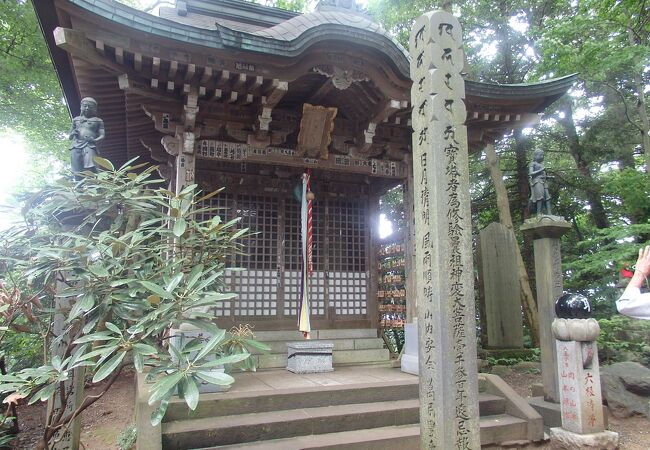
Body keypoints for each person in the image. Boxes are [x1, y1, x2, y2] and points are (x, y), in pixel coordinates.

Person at [69, 97, 105, 175]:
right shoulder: (76, 120)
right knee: (77, 167)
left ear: (94, 109)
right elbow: (70, 136)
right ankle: (79, 185)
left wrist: (94, 140)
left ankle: (93, 183)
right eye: (85, 106)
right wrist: (73, 133)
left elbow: (102, 135)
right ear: (81, 107)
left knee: (91, 165)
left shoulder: (98, 120)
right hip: (76, 145)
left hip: (89, 145)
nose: (87, 108)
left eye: (90, 106)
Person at [617, 245, 650, 320]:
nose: (627, 264)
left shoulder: (631, 271)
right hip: (625, 284)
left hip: (629, 287)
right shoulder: (623, 270)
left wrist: (640, 272)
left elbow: (625, 304)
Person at [528, 149, 552, 215]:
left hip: (544, 182)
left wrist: (549, 177)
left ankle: (550, 214)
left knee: (547, 198)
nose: (542, 157)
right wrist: (541, 170)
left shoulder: (541, 165)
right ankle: (539, 213)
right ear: (535, 156)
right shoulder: (532, 164)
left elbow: (543, 174)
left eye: (543, 155)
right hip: (537, 181)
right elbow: (531, 173)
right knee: (540, 197)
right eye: (540, 155)